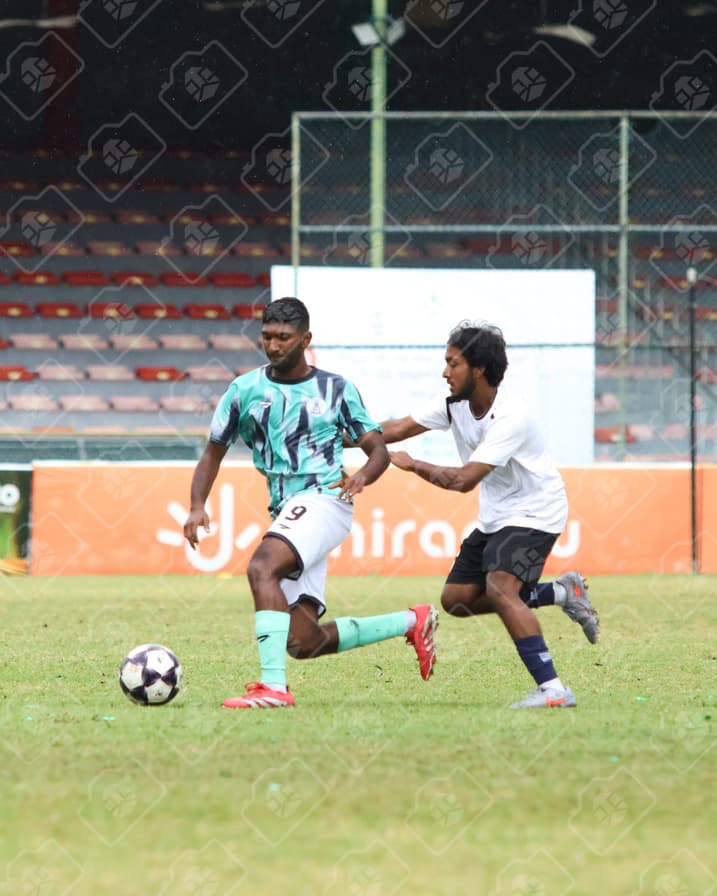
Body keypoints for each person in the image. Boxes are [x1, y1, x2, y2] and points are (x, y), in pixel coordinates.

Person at [183, 297, 438, 709]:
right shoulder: (244, 390)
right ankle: (412, 621)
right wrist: (197, 505)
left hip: (325, 500)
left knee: (261, 566)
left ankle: (274, 690)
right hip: (287, 509)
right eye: (266, 336)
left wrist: (361, 478)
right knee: (304, 641)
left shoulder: (336, 390)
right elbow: (213, 452)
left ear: (305, 339)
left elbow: (378, 450)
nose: (273, 345)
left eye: (283, 337)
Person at [374, 320, 599, 709]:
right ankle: (563, 592)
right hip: (497, 514)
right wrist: (340, 435)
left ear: (477, 368)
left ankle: (554, 690)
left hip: (536, 510)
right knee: (457, 599)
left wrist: (413, 465)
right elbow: (397, 427)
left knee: (499, 588)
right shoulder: (454, 403)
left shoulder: (511, 415)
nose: (444, 372)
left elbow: (464, 481)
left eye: (452, 363)